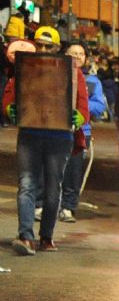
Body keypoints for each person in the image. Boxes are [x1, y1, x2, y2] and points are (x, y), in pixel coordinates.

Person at [5, 30, 87, 255]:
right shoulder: (24, 69)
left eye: (48, 47)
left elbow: (83, 106)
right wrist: (9, 108)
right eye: (39, 45)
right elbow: (10, 96)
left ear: (56, 48)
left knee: (53, 188)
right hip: (30, 134)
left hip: (59, 138)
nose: (43, 51)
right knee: (27, 183)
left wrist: (78, 116)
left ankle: (46, 237)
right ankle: (26, 236)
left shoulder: (73, 72)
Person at [59, 43, 108, 223]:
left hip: (81, 132)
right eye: (74, 53)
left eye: (81, 54)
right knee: (52, 170)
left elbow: (100, 106)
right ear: (65, 55)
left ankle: (68, 207)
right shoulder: (57, 75)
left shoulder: (93, 81)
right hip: (55, 130)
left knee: (73, 171)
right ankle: (46, 205)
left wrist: (80, 107)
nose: (78, 57)